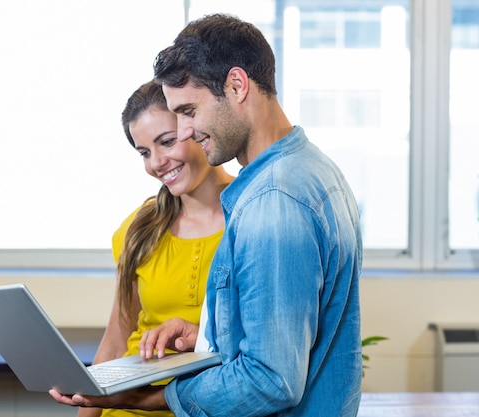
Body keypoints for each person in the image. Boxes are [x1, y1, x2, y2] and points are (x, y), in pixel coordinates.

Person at [51, 13, 363, 416]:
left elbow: (271, 380)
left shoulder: (273, 201)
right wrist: (208, 338)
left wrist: (153, 397)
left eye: (189, 111)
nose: (184, 132)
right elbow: (288, 337)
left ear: (237, 85)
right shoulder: (312, 169)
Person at [77, 80, 233, 417]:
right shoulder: (139, 228)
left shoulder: (252, 218)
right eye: (144, 152)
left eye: (166, 141)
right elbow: (118, 339)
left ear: (197, 127)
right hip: (125, 408)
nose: (157, 163)